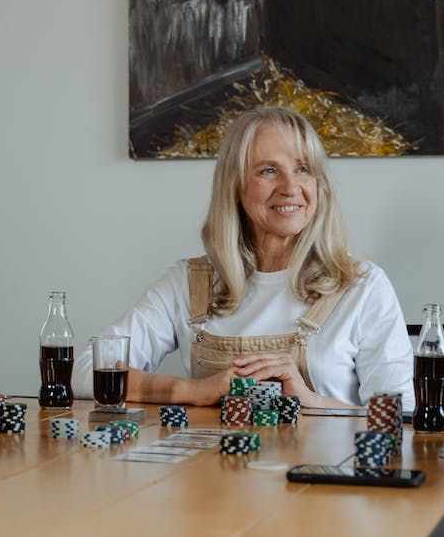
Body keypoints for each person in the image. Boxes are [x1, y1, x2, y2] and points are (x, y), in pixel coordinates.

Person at [72, 107, 414, 410]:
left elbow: (402, 416)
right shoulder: (189, 283)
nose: (290, 186)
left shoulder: (361, 285)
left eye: (303, 168)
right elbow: (86, 372)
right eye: (268, 171)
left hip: (326, 465)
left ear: (318, 184)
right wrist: (196, 391)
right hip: (212, 464)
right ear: (235, 186)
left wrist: (311, 402)